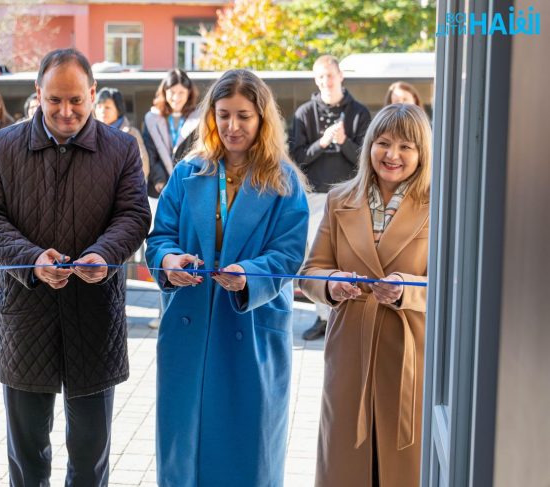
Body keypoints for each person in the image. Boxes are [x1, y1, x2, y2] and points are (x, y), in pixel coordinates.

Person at [0, 48, 150, 486]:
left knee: (90, 456)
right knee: (27, 455)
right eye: (54, 100)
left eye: (76, 100)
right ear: (38, 93)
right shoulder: (2, 146)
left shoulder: (121, 148)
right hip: (26, 315)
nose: (66, 111)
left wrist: (105, 254)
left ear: (92, 93)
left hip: (94, 316)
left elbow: (134, 215)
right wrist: (31, 259)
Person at [146, 69, 310, 487]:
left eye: (244, 116)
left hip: (249, 327)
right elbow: (160, 237)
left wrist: (250, 274)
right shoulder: (188, 172)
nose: (232, 126)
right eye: (223, 115)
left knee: (246, 453)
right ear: (211, 117)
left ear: (262, 119)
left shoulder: (285, 181)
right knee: (183, 452)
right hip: (191, 326)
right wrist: (169, 261)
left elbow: (289, 254)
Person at [300, 103, 431, 487]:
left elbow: (453, 286)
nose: (393, 154)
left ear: (422, 153)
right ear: (369, 144)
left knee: (401, 465)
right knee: (346, 460)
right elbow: (310, 272)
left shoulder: (439, 205)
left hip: (409, 351)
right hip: (349, 349)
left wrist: (407, 289)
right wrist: (331, 284)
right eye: (384, 142)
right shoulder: (339, 199)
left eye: (406, 146)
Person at [289, 54, 371, 340]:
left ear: (340, 76)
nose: (326, 81)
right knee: (318, 257)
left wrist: (343, 142)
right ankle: (323, 317)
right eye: (321, 76)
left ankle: (350, 312)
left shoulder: (359, 113)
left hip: (350, 196)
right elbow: (296, 158)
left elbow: (367, 158)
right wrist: (322, 143)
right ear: (316, 80)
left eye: (330, 75)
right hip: (315, 197)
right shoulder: (303, 114)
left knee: (349, 256)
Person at [142, 68, 199, 200]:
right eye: (172, 92)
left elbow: (200, 154)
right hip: (159, 189)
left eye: (181, 92)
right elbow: (149, 152)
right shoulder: (152, 118)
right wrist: (159, 179)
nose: (176, 98)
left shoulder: (199, 118)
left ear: (189, 93)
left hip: (189, 188)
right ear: (164, 91)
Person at [94, 86, 149, 180]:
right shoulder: (88, 134)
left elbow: (143, 167)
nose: (102, 111)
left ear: (118, 110)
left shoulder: (131, 133)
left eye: (107, 107)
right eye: (99, 106)